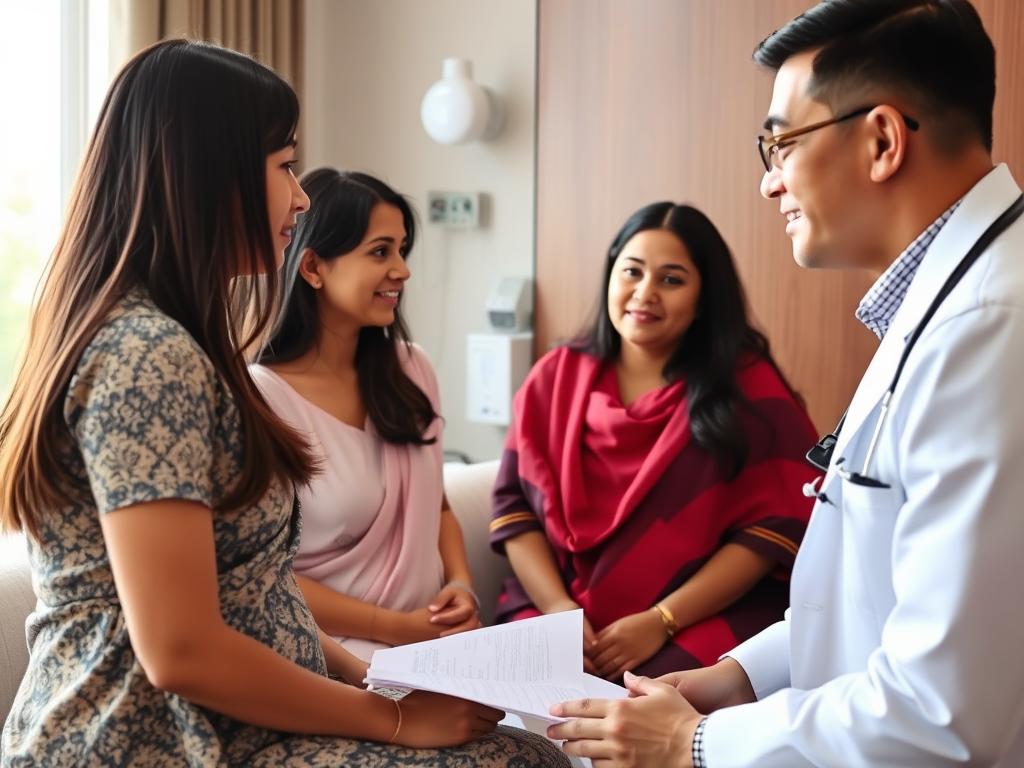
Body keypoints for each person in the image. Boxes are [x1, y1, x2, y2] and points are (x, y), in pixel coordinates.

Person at [0, 39, 567, 767]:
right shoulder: (147, 357)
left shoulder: (182, 346)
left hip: (230, 722)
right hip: (157, 739)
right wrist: (390, 720)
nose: (300, 199)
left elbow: (256, 594)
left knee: (520, 750)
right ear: (209, 175)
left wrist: (377, 683)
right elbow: (180, 650)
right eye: (285, 166)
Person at [547, 1, 1024, 766]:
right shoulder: (940, 305)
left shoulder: (990, 328)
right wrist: (737, 679)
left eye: (781, 143)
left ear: (881, 140)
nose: (770, 184)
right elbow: (865, 603)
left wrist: (694, 742)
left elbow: (941, 714)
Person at [489, 201, 819, 682]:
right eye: (632, 272)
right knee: (522, 689)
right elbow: (515, 511)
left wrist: (661, 620)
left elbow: (774, 531)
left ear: (704, 297)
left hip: (694, 618)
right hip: (557, 610)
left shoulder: (747, 388)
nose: (645, 293)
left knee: (650, 703)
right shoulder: (553, 378)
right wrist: (559, 611)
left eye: (671, 279)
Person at [251, 168, 480, 665]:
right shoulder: (261, 399)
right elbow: (260, 577)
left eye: (402, 250)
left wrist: (461, 583)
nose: (402, 270)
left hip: (434, 650)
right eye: (380, 251)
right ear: (313, 267)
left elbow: (436, 506)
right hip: (329, 660)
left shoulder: (412, 369)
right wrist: (395, 629)